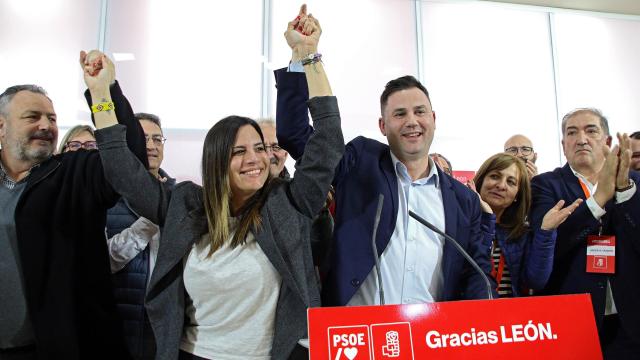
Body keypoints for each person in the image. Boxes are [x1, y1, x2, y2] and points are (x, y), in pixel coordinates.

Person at [93, 10, 343, 359]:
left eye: (259, 148)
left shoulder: (288, 204)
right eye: (238, 151)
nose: (254, 159)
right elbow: (122, 170)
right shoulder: (185, 205)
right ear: (216, 162)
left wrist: (308, 54)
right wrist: (100, 92)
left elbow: (327, 139)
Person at [275, 6, 494, 307]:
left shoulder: (462, 199)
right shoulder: (360, 161)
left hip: (428, 341)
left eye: (419, 112)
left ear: (433, 118)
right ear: (383, 125)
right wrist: (303, 55)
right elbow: (296, 134)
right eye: (399, 114)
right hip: (357, 337)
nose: (412, 121)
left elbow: (474, 276)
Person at [0, 50, 146, 359]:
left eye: (52, 118)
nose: (46, 125)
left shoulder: (76, 172)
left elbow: (130, 158)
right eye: (32, 117)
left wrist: (103, 92)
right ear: (1, 126)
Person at [530, 108, 639, 358]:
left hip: (631, 319)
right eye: (572, 132)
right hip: (573, 319)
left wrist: (623, 191)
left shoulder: (634, 182)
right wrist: (598, 201)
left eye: (591, 130)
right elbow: (549, 246)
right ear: (563, 144)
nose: (581, 139)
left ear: (608, 142)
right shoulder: (545, 185)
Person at [105, 112, 175, 360]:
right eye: (143, 138)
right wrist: (150, 219)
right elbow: (102, 261)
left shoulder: (179, 196)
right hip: (119, 319)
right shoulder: (106, 198)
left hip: (168, 323)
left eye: (158, 139)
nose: (151, 146)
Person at [468, 153, 580, 297]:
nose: (501, 185)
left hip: (513, 317)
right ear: (481, 180)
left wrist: (546, 232)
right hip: (470, 315)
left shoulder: (520, 233)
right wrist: (488, 219)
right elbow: (472, 273)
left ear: (517, 196)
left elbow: (535, 281)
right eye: (495, 176)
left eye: (511, 182)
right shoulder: (461, 223)